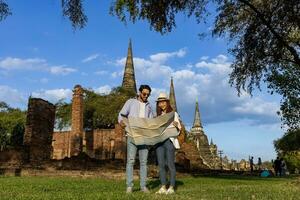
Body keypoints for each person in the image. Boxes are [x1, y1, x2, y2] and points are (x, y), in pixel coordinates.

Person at [118, 85, 154, 193]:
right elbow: (121, 114)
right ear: (139, 92)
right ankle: (129, 186)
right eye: (144, 94)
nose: (146, 96)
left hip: (144, 137)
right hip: (132, 135)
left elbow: (151, 121)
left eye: (148, 95)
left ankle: (143, 186)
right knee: (130, 161)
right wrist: (122, 122)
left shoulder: (149, 106)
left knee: (144, 162)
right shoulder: (130, 102)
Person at [155, 92, 181, 195]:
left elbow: (179, 129)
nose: (161, 104)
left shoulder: (173, 114)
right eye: (159, 103)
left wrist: (176, 125)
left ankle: (171, 186)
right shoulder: (157, 116)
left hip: (169, 140)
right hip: (159, 142)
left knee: (170, 164)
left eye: (163, 102)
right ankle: (163, 186)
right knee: (161, 165)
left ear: (167, 102)